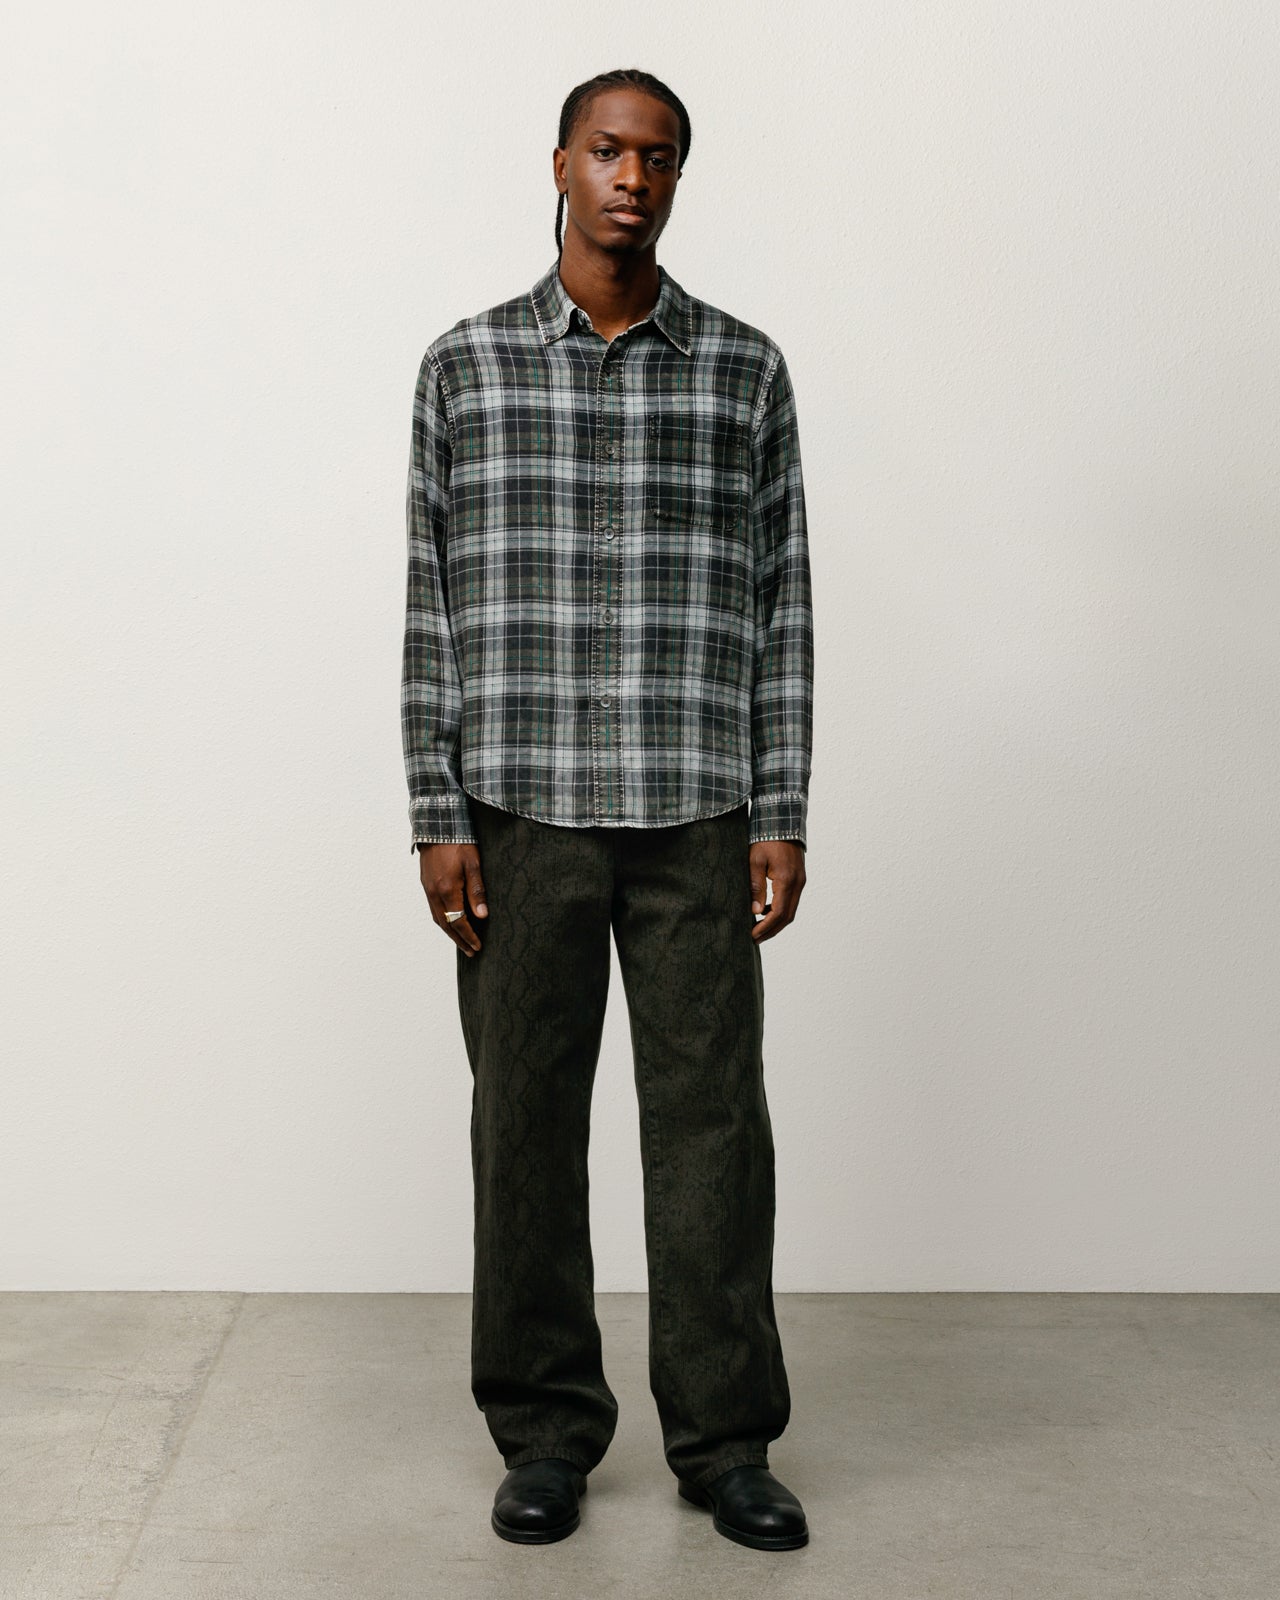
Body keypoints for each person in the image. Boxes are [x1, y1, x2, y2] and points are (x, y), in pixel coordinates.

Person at [401, 67, 815, 1552]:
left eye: (660, 157)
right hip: (516, 810)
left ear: (677, 178)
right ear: (562, 163)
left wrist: (782, 807)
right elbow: (429, 602)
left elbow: (782, 603)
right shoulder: (466, 367)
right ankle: (543, 1434)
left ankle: (724, 1441)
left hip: (697, 807)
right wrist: (435, 811)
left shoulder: (745, 371)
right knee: (522, 1127)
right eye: (609, 150)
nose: (633, 177)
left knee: (713, 1131)